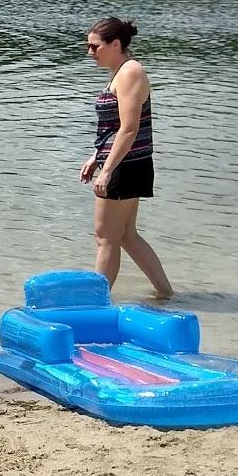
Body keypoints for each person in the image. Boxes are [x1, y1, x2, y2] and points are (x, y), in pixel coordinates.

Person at [79, 17, 173, 297]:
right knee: (126, 236)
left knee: (105, 237)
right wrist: (96, 156)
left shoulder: (131, 72)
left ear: (115, 44)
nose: (90, 52)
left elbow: (130, 128)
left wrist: (107, 170)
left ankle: (97, 303)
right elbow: (115, 127)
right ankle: (166, 295)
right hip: (125, 162)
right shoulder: (120, 71)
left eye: (94, 47)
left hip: (125, 165)